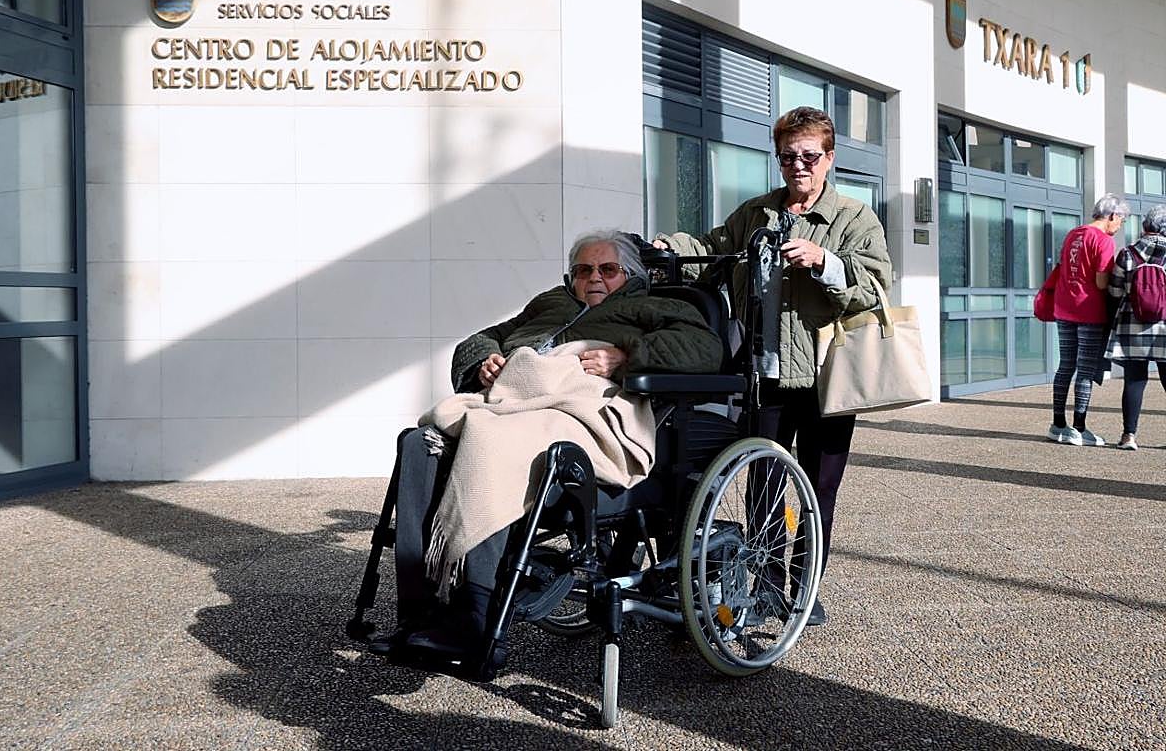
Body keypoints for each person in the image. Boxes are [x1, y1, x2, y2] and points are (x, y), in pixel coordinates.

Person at [375, 229, 723, 664]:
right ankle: (418, 611)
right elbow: (482, 337)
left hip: (582, 406)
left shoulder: (654, 306)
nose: (594, 278)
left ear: (629, 276)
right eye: (583, 270)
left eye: (608, 269)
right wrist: (486, 361)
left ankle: (476, 621)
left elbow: (704, 349)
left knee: (492, 440)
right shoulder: (549, 304)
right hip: (512, 399)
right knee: (418, 444)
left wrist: (626, 355)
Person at [653, 106, 891, 627]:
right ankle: (764, 588)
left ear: (829, 158)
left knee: (818, 489)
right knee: (762, 481)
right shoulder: (755, 213)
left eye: (809, 156)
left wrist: (826, 263)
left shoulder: (854, 219)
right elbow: (715, 249)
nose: (798, 166)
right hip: (764, 376)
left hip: (829, 378)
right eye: (788, 157)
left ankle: (804, 588)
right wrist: (669, 245)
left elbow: (876, 288)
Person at [1048, 194, 1129, 446]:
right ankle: (1080, 427)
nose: (1120, 226)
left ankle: (1058, 424)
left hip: (1064, 307)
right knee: (1084, 370)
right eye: (1121, 220)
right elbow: (1101, 282)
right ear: (1113, 216)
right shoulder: (1103, 241)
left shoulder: (1074, 233)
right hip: (1089, 310)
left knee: (1065, 366)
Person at [1106, 204, 1166, 450]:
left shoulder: (1128, 253)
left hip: (1133, 326)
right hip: (1164, 326)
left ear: (1145, 226)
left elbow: (1114, 290)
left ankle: (1129, 436)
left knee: (1134, 380)